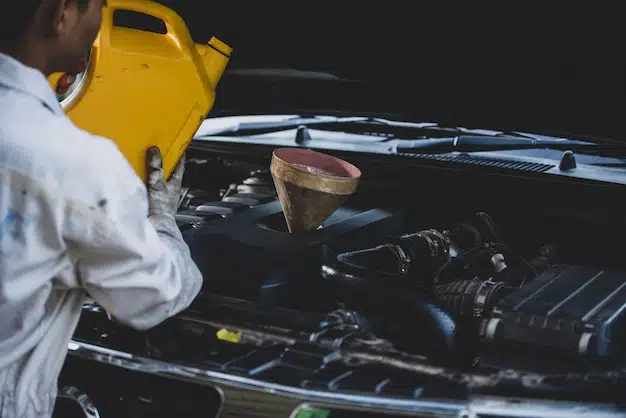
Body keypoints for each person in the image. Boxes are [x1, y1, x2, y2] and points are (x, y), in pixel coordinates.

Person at [0, 0, 204, 416]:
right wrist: (164, 223)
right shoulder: (76, 167)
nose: (100, 23)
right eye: (97, 7)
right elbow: (151, 296)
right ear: (61, 13)